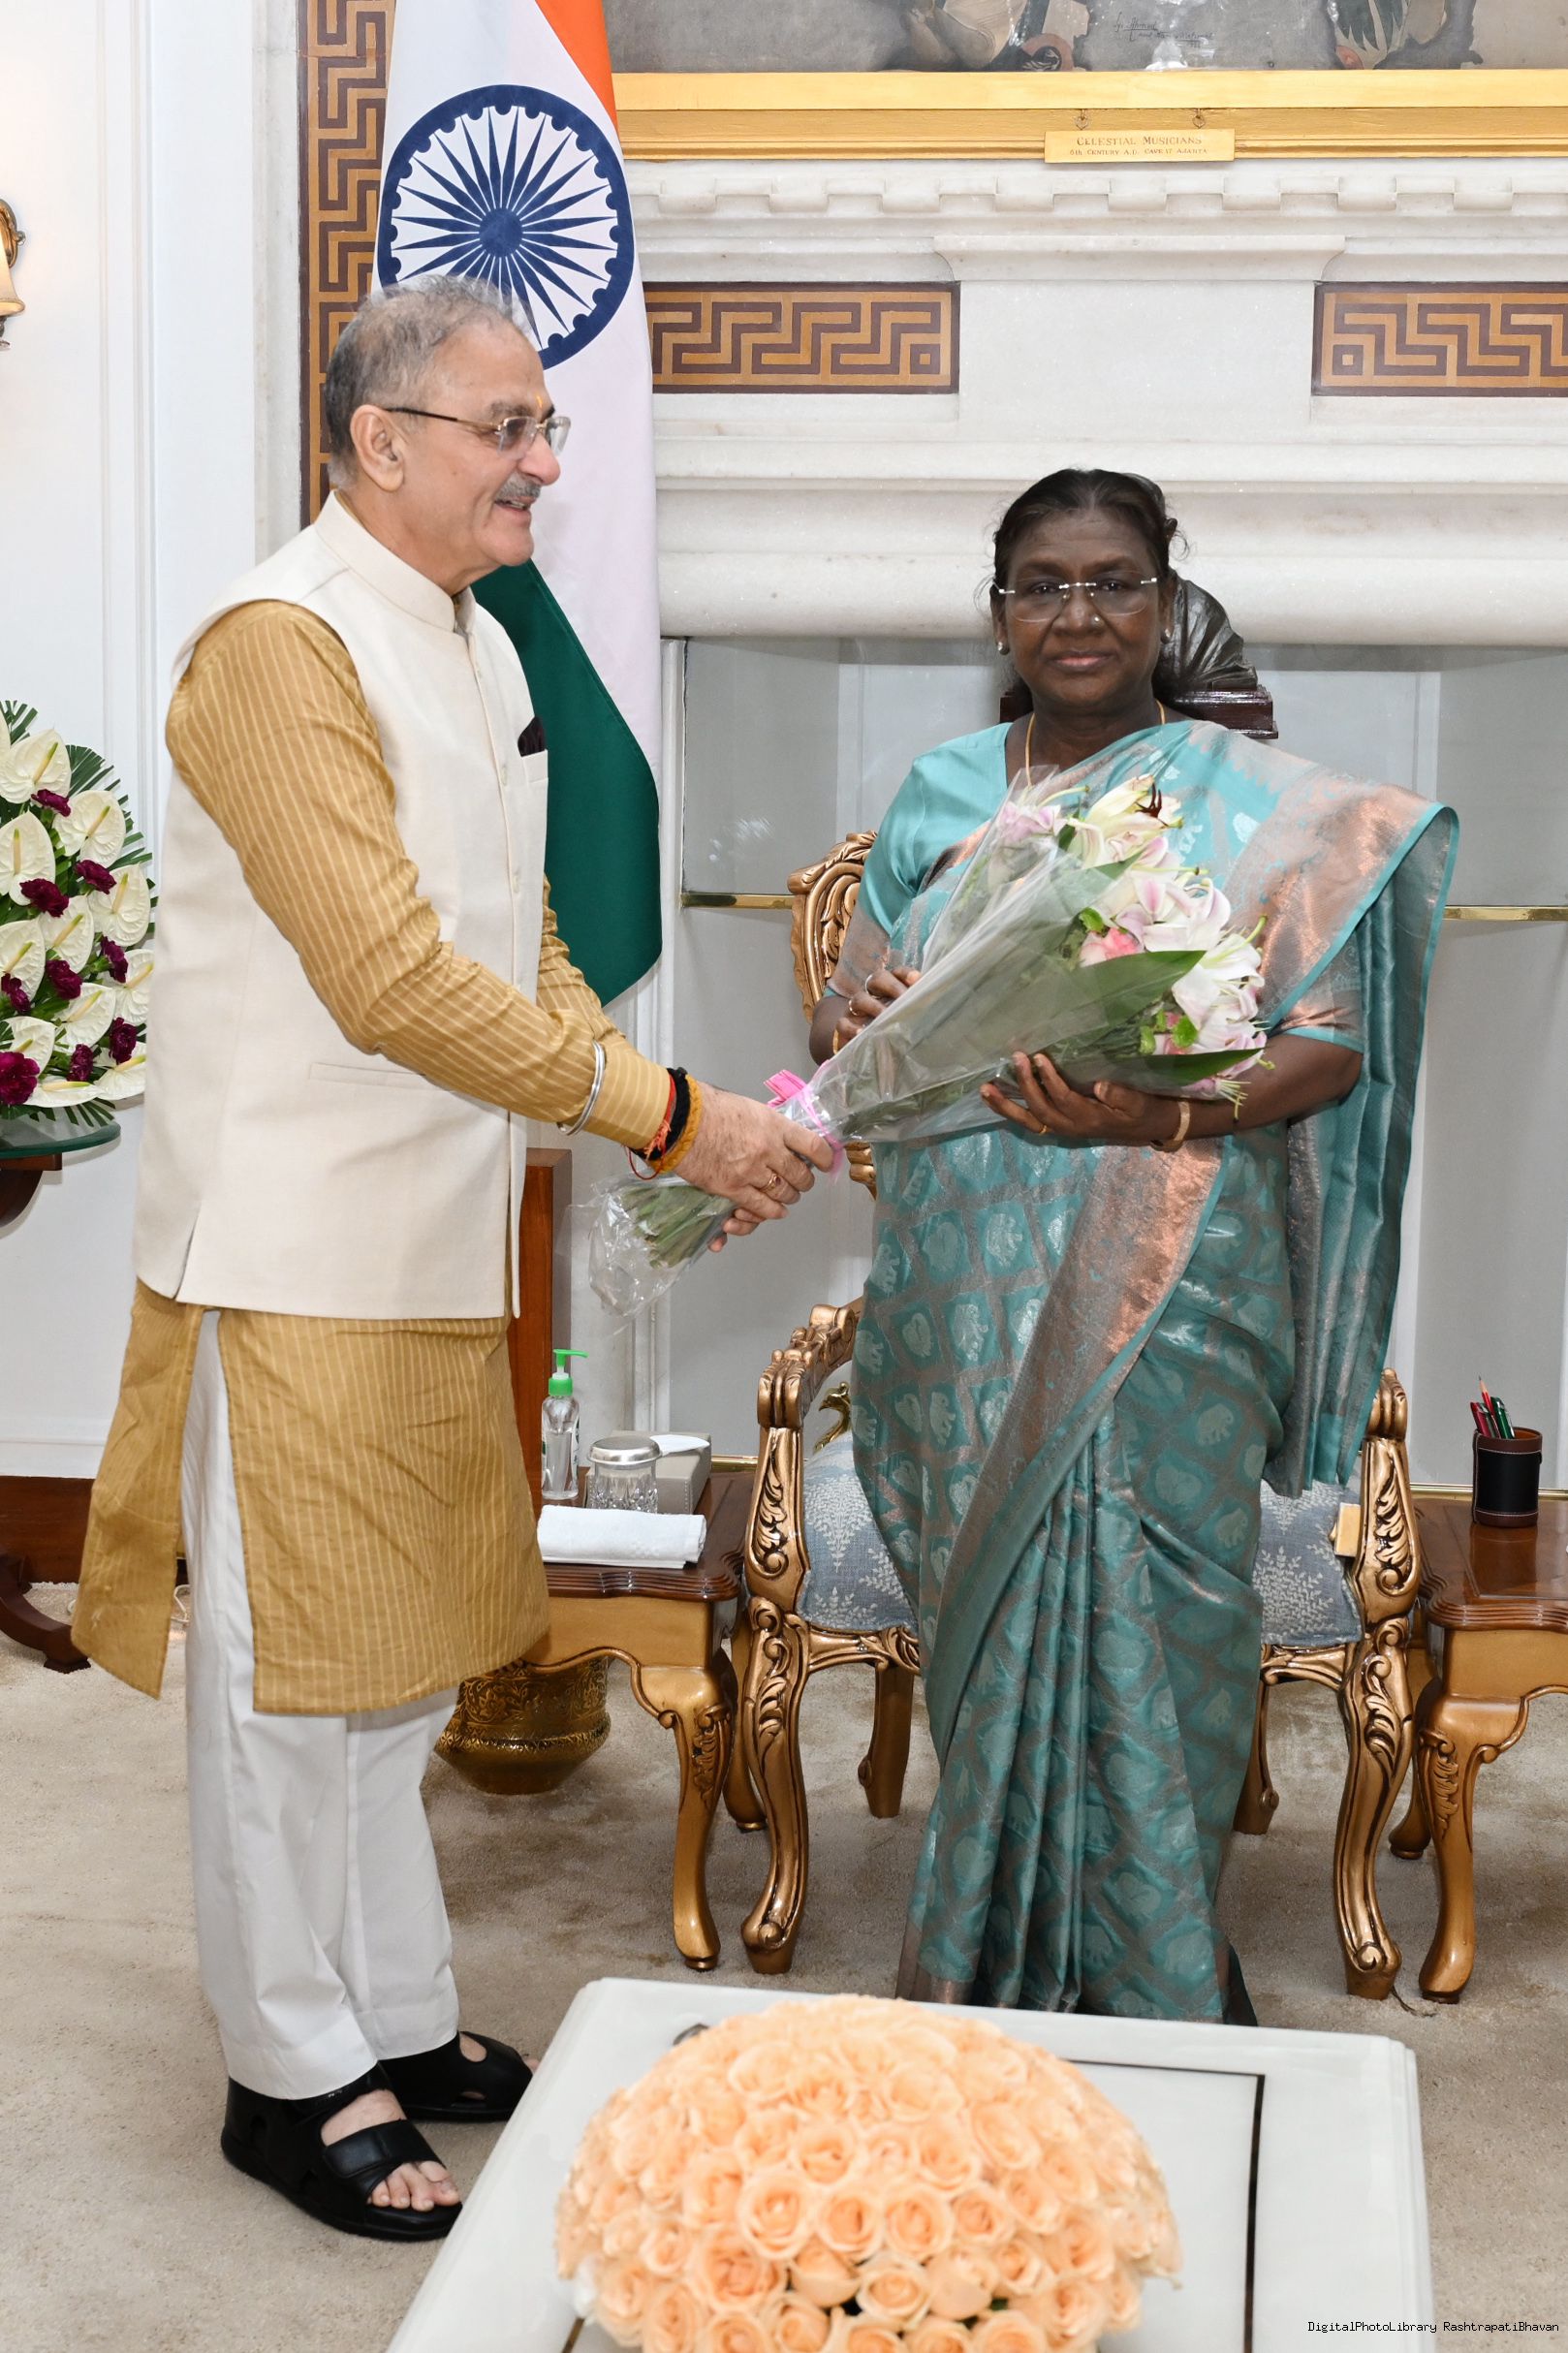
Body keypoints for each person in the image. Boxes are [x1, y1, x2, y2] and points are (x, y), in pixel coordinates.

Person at [72, 274, 831, 2240]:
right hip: (292, 1249)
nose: (543, 462)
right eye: (507, 427)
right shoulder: (277, 646)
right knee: (285, 1680)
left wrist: (657, 1107)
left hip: (436, 1238)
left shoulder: (476, 638)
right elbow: (391, 977)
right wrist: (667, 1114)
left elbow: (521, 938)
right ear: (377, 440)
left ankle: (394, 2015)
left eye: (546, 426)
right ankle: (287, 2068)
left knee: (394, 1667)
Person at [810, 467, 1454, 2023]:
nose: (1077, 613)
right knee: (992, 1610)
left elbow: (1324, 1048)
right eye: (1042, 584)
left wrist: (1155, 1117)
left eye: (1111, 582)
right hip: (960, 1278)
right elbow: (848, 1029)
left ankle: (1160, 1960)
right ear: (999, 613)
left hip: (1175, 1263)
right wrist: (852, 1008)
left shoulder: (1260, 807)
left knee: (1165, 1603)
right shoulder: (940, 793)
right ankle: (983, 1954)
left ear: (1163, 604)